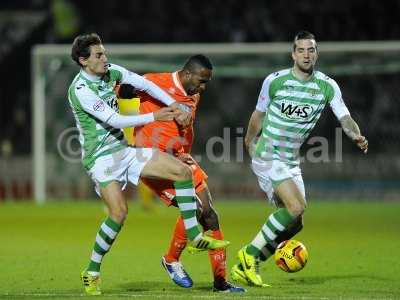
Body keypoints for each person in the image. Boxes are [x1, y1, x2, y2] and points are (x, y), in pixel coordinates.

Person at [68, 33, 230, 296]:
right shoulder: (80, 90)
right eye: (99, 55)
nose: (105, 59)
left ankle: (193, 236)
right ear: (84, 61)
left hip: (124, 150)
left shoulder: (111, 72)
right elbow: (114, 119)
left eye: (104, 52)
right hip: (100, 158)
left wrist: (174, 103)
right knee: (118, 214)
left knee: (182, 171)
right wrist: (157, 114)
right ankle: (92, 271)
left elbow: (144, 83)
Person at [230, 31, 368, 287]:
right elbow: (258, 115)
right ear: (293, 54)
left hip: (291, 160)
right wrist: (249, 141)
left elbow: (345, 117)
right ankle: (248, 255)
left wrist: (356, 136)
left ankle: (246, 265)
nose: (306, 54)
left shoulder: (327, 86)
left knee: (295, 224)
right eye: (301, 50)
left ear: (316, 54)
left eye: (311, 50)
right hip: (268, 152)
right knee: (295, 207)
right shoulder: (275, 81)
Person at [119, 55, 244, 292]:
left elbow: (184, 129)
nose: (203, 87)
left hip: (181, 161)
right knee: (194, 210)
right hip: (154, 163)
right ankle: (171, 260)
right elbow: (121, 90)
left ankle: (221, 283)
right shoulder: (154, 82)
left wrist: (185, 151)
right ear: (187, 74)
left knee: (209, 214)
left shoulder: (193, 95)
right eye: (201, 80)